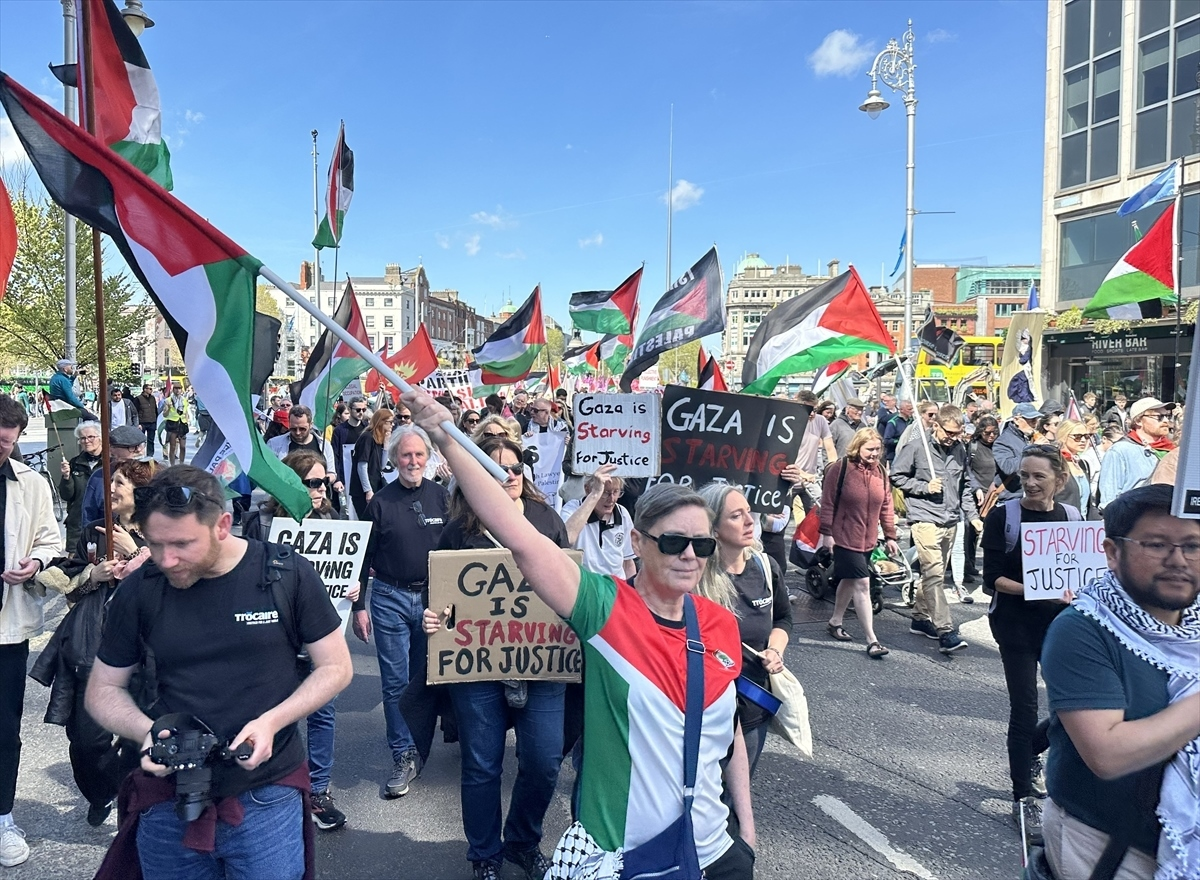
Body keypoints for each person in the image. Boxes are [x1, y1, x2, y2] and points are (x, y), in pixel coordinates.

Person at [408, 388, 755, 879]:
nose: (689, 555)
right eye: (675, 541)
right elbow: (519, 537)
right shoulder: (606, 608)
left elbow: (728, 729)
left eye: (701, 544)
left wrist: (747, 831)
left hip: (714, 853)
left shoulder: (720, 623)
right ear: (638, 541)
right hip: (622, 859)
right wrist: (445, 436)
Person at [85, 465, 353, 879]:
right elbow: (102, 689)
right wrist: (147, 732)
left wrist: (272, 722)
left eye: (182, 544)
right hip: (167, 800)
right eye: (155, 544)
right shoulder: (142, 587)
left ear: (223, 525)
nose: (166, 559)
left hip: (267, 796)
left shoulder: (285, 573)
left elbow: (336, 666)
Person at [424, 435, 570, 879]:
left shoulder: (547, 519)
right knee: (482, 764)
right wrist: (435, 618)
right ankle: (485, 853)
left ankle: (522, 842)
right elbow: (441, 594)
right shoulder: (458, 529)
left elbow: (569, 582)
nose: (508, 475)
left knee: (544, 761)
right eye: (495, 468)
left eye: (515, 467)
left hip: (542, 661)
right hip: (479, 666)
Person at [1040, 485, 1200, 880]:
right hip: (1110, 848)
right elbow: (1107, 755)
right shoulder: (1082, 630)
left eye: (1193, 546)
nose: (1178, 560)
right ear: (1112, 553)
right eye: (1157, 545)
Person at [32, 459, 159, 828]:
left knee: (140, 738)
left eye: (119, 482)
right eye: (110, 481)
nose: (111, 488)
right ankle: (103, 791)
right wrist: (92, 575)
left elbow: (171, 585)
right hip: (95, 649)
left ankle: (135, 810)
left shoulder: (161, 530)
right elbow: (72, 589)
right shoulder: (93, 530)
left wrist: (135, 552)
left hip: (146, 652)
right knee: (86, 741)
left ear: (141, 492)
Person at [241, 449, 355, 832]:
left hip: (318, 641)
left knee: (322, 715)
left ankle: (318, 791)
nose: (320, 489)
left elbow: (347, 570)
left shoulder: (334, 522)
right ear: (290, 484)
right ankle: (271, 787)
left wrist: (353, 590)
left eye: (323, 482)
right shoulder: (262, 524)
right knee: (272, 714)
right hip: (273, 641)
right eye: (311, 482)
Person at [981, 445, 1079, 845]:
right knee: (1024, 709)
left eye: (1039, 476)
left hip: (1061, 627)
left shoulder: (1072, 517)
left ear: (1060, 479)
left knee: (1072, 707)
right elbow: (991, 580)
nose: (1031, 483)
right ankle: (1022, 794)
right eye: (1025, 476)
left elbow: (1080, 571)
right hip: (1015, 627)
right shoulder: (1004, 517)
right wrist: (1039, 591)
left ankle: (1032, 751)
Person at [351, 425, 449, 798]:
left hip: (432, 600)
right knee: (395, 683)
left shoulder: (442, 497)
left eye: (418, 454)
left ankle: (422, 740)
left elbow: (456, 549)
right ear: (394, 459)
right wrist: (359, 607)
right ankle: (403, 753)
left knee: (424, 678)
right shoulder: (379, 503)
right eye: (405, 455)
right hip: (389, 597)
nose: (412, 461)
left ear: (428, 458)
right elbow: (362, 556)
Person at [0, 395, 65, 869]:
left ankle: (3, 818)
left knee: (4, 729)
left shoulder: (31, 483)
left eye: (6, 443)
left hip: (6, 626)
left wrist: (36, 562)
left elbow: (49, 538)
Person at [698, 484, 792, 774]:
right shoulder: (696, 574)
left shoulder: (765, 566)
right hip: (706, 709)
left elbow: (783, 619)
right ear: (714, 529)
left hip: (753, 706)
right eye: (736, 516)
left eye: (749, 512)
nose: (750, 521)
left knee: (737, 793)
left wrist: (775, 650)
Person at [891, 405, 971, 648]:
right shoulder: (916, 447)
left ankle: (919, 618)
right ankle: (945, 630)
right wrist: (924, 487)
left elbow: (965, 483)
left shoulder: (959, 449)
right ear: (936, 425)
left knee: (932, 575)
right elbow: (896, 476)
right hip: (924, 518)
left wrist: (972, 514)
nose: (953, 438)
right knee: (935, 575)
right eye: (949, 432)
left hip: (950, 519)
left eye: (958, 433)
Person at [819, 428, 899, 658]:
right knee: (862, 584)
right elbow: (828, 502)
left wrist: (890, 535)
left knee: (849, 580)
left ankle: (835, 621)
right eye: (870, 449)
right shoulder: (840, 468)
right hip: (844, 537)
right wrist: (827, 533)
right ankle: (872, 640)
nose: (874, 453)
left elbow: (886, 505)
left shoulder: (880, 471)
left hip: (868, 539)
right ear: (858, 447)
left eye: (878, 449)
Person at [1098, 398, 1176, 511]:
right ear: (1139, 421)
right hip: (1135, 517)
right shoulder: (1120, 451)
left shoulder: (1172, 450)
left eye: (1168, 416)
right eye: (1159, 417)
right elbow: (1109, 500)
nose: (1165, 421)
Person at [561, 465, 635, 579]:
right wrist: (595, 494)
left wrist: (630, 588)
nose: (611, 499)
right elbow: (568, 538)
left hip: (616, 584)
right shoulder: (572, 509)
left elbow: (628, 562)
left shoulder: (622, 513)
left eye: (616, 492)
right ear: (587, 490)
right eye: (605, 492)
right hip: (587, 583)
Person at [781, 390, 837, 514]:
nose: (812, 414)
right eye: (808, 410)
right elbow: (783, 455)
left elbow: (830, 448)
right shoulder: (788, 422)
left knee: (820, 513)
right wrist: (802, 474)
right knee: (782, 516)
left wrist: (834, 467)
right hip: (789, 479)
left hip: (810, 478)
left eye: (815, 410)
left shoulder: (820, 420)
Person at [80, 425, 148, 528]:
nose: (139, 451)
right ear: (112, 449)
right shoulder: (99, 477)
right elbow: (88, 514)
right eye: (132, 447)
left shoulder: (151, 473)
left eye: (142, 445)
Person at [961, 415, 999, 588]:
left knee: (991, 531)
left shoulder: (999, 446)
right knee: (971, 531)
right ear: (980, 432)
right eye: (987, 433)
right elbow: (967, 470)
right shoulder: (973, 446)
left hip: (995, 494)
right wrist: (975, 488)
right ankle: (967, 566)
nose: (991, 436)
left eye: (994, 432)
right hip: (977, 494)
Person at [59, 421, 103, 550]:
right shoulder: (75, 463)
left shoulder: (110, 462)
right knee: (75, 559)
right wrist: (66, 477)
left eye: (91, 437)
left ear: (100, 438)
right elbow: (66, 496)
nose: (86, 441)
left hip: (102, 523)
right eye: (82, 438)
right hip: (77, 523)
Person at [349, 408, 394, 517]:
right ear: (381, 422)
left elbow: (382, 466)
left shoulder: (379, 439)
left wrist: (386, 445)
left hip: (375, 486)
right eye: (390, 422)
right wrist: (368, 490)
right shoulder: (367, 437)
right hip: (363, 490)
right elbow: (362, 466)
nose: (392, 425)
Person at [993, 401, 1040, 503]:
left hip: (1033, 496)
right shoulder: (1003, 441)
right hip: (1012, 499)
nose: (1035, 424)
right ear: (1017, 420)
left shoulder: (1030, 437)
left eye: (1036, 420)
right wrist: (1033, 449)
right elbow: (1008, 467)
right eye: (1031, 420)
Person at [1054, 419, 1097, 518]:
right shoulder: (1054, 464)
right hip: (1062, 523)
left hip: (1083, 524)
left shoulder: (1083, 464)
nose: (1083, 440)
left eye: (1086, 436)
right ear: (1063, 437)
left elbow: (1088, 504)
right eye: (1077, 437)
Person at [331, 396, 370, 492]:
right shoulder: (339, 430)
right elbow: (335, 455)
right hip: (346, 476)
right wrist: (337, 479)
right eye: (358, 410)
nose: (361, 412)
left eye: (364, 410)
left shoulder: (367, 428)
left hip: (366, 477)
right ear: (349, 409)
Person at [157, 386, 189, 466]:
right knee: (173, 446)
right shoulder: (168, 400)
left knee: (183, 446)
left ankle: (181, 463)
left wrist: (187, 421)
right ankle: (172, 465)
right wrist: (168, 408)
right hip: (172, 424)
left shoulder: (184, 400)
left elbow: (186, 412)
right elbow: (165, 414)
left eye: (179, 389)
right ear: (173, 390)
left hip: (182, 424)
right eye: (176, 389)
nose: (178, 390)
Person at [882, 399, 915, 465]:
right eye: (909, 409)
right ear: (901, 410)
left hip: (909, 455)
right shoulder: (893, 422)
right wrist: (900, 441)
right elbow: (886, 440)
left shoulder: (912, 421)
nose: (912, 411)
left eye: (912, 409)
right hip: (895, 456)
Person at [133, 384, 159, 456]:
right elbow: (135, 412)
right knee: (141, 440)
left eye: (151, 389)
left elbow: (155, 409)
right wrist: (137, 423)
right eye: (149, 389)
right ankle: (140, 454)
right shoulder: (138, 399)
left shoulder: (152, 398)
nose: (151, 390)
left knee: (151, 440)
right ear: (145, 389)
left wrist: (155, 419)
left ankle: (150, 455)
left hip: (152, 422)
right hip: (142, 422)